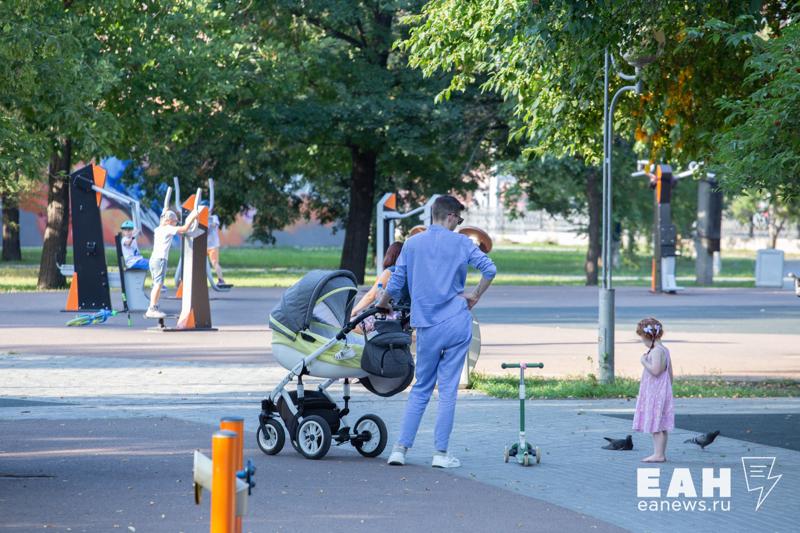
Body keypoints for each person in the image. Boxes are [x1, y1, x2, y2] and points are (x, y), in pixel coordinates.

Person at [377, 195, 496, 468]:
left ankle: (400, 449)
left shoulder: (412, 244)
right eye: (459, 219)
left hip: (427, 324)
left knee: (420, 388)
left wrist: (383, 305)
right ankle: (441, 454)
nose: (459, 224)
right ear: (451, 216)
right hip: (456, 320)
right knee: (448, 390)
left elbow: (396, 283)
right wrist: (475, 295)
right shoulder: (462, 243)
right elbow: (491, 268)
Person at [632, 317, 674, 463]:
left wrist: (644, 362)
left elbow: (656, 371)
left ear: (648, 336)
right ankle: (659, 453)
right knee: (660, 424)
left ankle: (659, 454)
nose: (642, 341)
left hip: (655, 392)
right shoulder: (664, 350)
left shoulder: (656, 351)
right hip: (660, 391)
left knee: (656, 424)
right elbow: (670, 373)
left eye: (642, 338)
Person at [145, 209, 198, 319]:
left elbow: (166, 218)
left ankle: (153, 306)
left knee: (157, 285)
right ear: (169, 221)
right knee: (158, 285)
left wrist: (165, 212)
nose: (176, 224)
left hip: (153, 259)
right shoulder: (168, 228)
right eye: (175, 222)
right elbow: (184, 229)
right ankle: (152, 309)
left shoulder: (158, 229)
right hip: (160, 260)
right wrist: (193, 216)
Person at [351, 241, 403, 333]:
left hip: (386, 317)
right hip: (403, 318)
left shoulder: (390, 271)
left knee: (349, 327)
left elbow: (370, 296)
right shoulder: (409, 274)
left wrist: (354, 311)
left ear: (390, 255)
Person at [202, 201, 226, 285]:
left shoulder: (213, 217)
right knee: (199, 263)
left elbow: (213, 225)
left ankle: (221, 280)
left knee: (215, 262)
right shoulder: (200, 218)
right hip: (203, 245)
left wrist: (207, 219)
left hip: (212, 245)